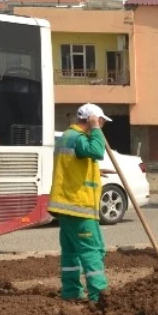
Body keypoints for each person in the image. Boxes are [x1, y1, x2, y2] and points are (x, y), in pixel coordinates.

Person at [48, 104, 111, 304]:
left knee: (71, 252)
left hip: (65, 206)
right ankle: (98, 295)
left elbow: (72, 165)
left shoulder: (67, 136)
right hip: (79, 207)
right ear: (94, 119)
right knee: (92, 250)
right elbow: (97, 151)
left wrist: (95, 172)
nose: (102, 126)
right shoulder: (79, 138)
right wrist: (96, 130)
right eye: (101, 121)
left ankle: (71, 291)